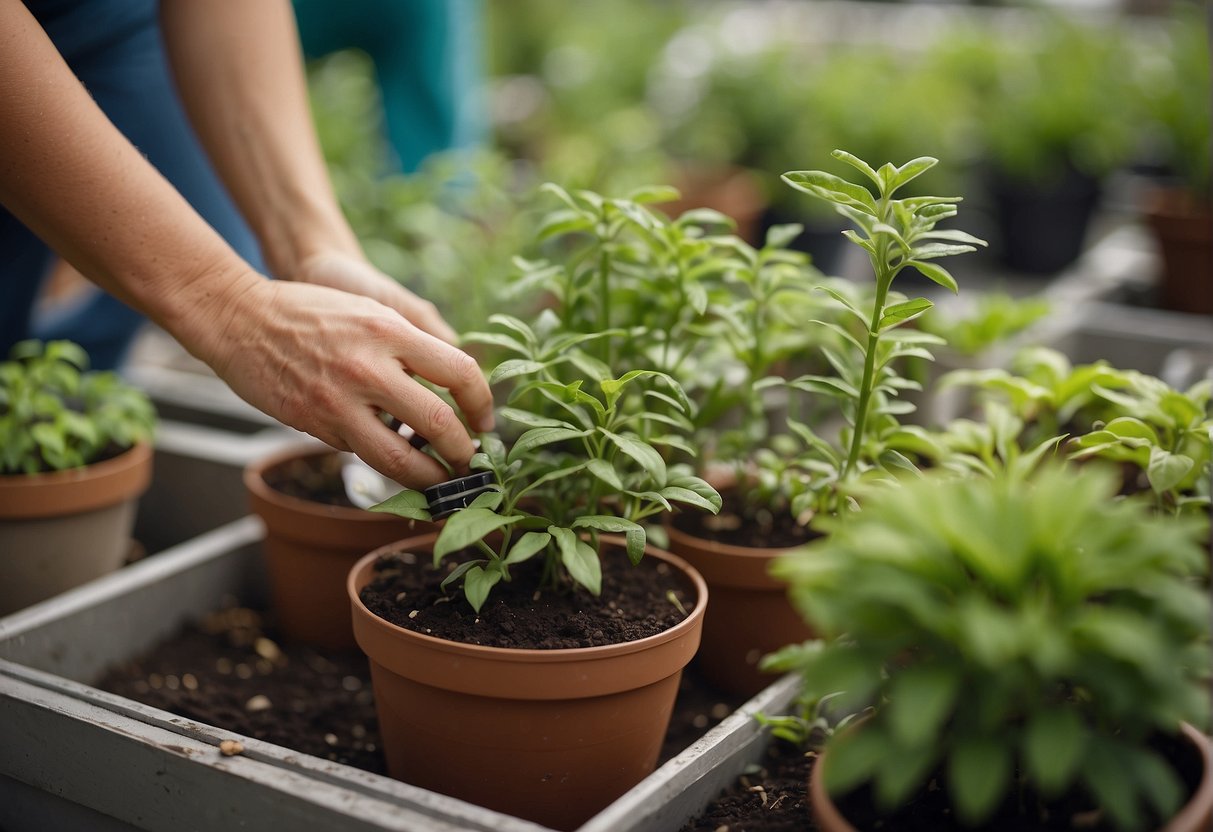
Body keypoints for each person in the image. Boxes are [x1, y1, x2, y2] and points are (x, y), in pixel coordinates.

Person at [0, 0, 494, 489]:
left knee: (219, 249)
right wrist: (230, 307)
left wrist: (312, 248)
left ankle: (69, 414)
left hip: (116, 14)